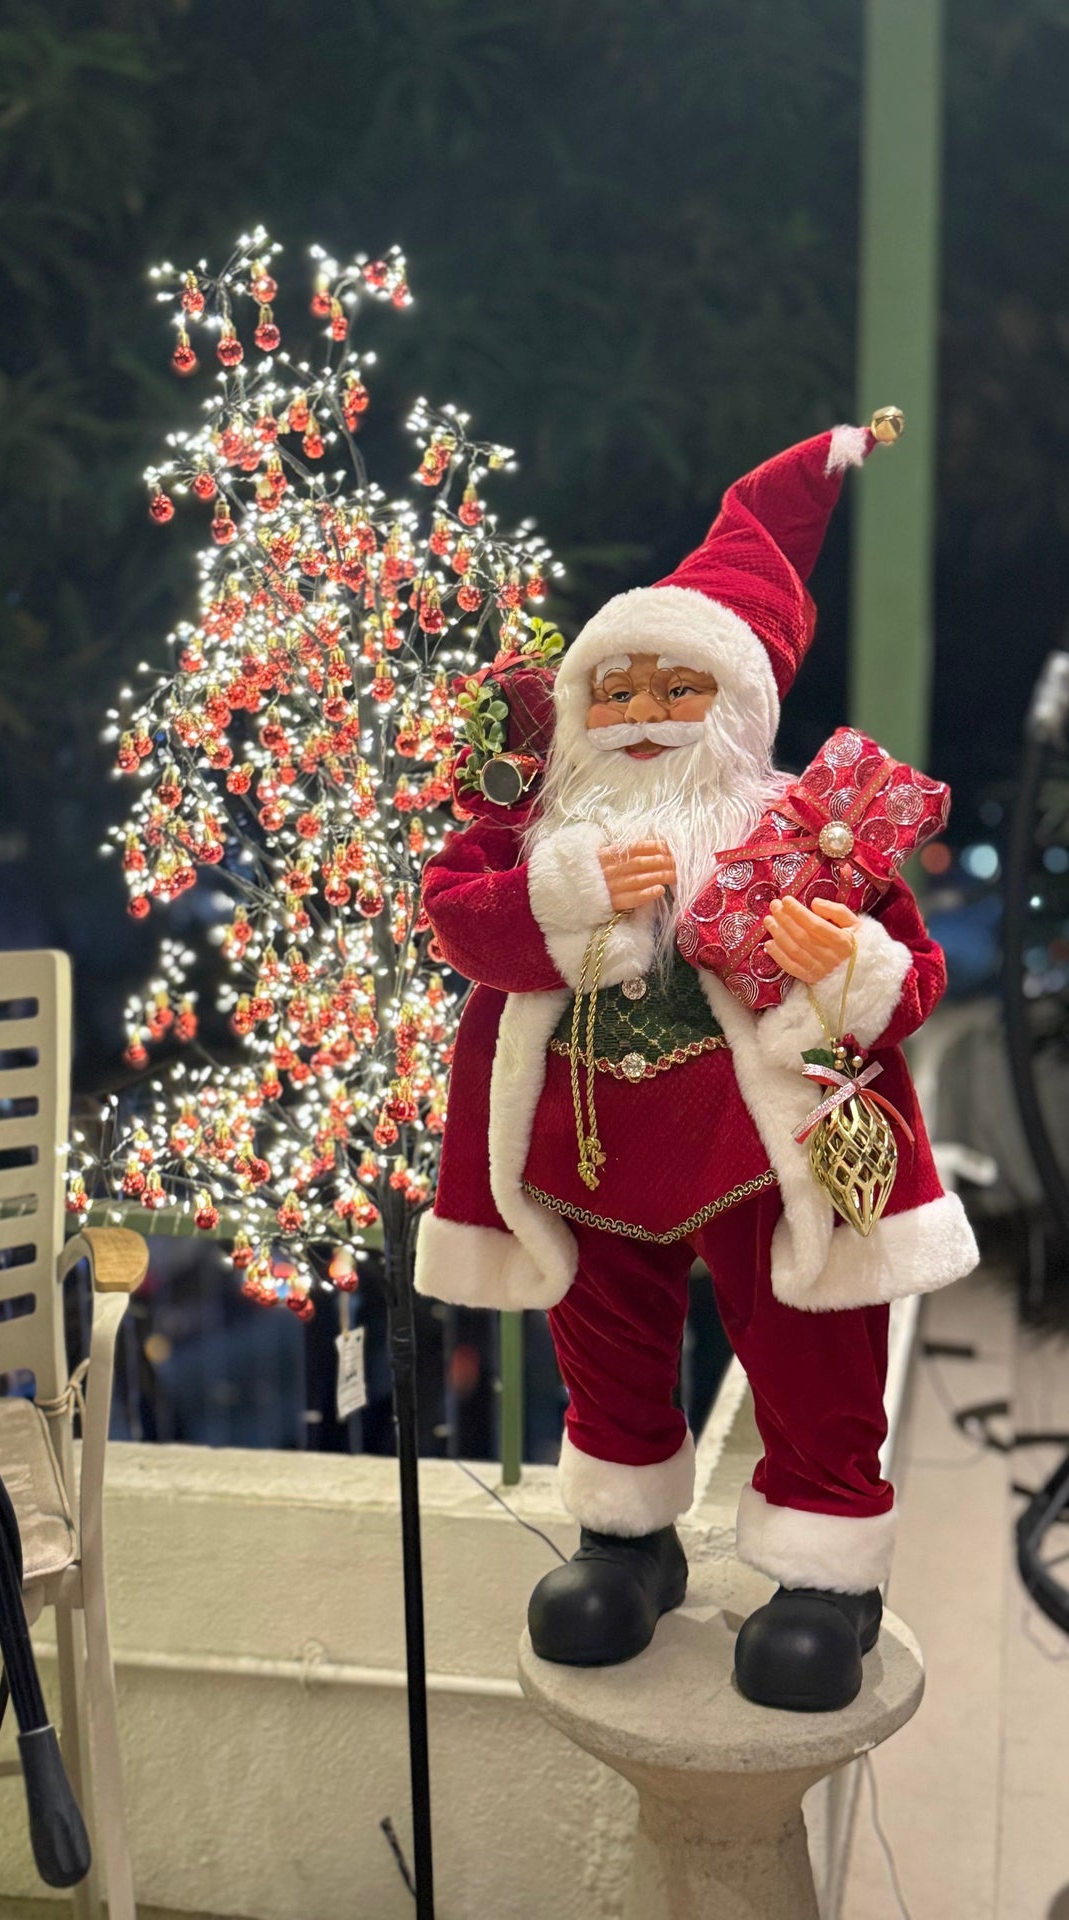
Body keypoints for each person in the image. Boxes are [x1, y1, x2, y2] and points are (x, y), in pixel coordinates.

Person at [415, 422, 978, 1711]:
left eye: (679, 691)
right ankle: (627, 1535)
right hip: (586, 1143)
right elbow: (457, 913)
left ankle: (830, 1567)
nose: (643, 717)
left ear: (738, 710)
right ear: (578, 713)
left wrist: (844, 961)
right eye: (616, 692)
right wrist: (570, 896)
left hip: (754, 1148)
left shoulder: (806, 830)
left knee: (809, 1343)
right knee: (603, 1340)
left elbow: (912, 985)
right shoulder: (543, 827)